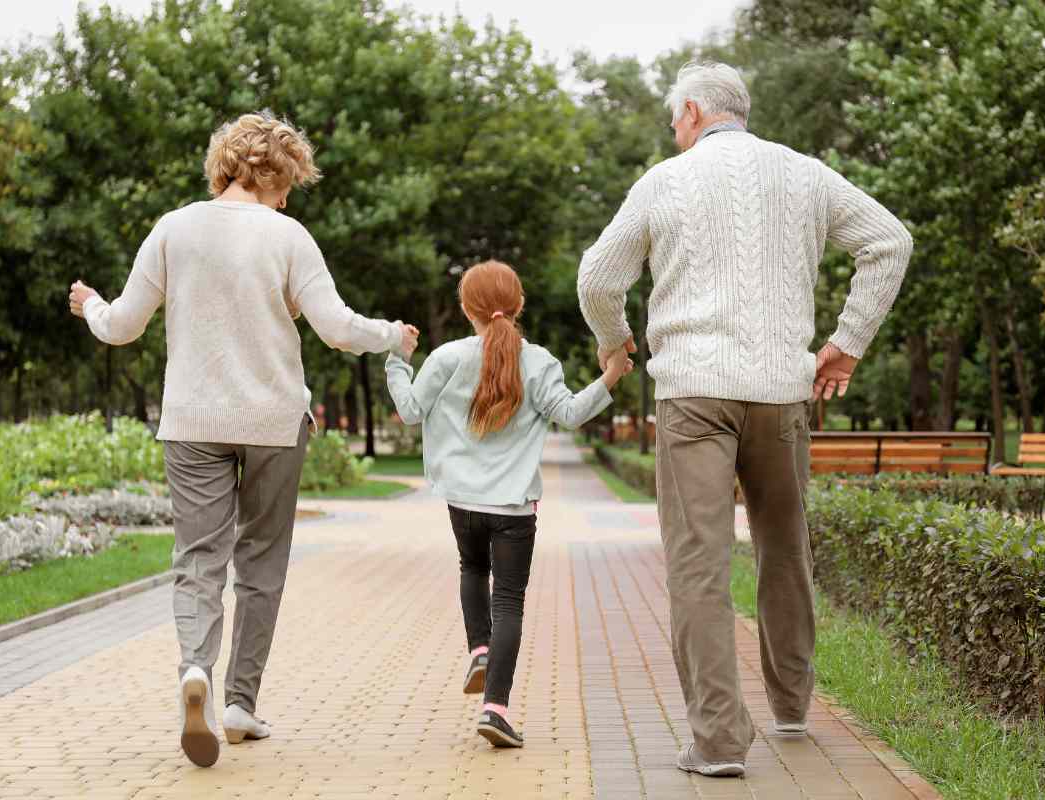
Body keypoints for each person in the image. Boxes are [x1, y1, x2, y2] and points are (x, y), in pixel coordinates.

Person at [577, 62, 911, 777]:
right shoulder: (806, 175)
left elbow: (598, 278)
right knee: (784, 550)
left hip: (692, 395)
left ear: (693, 111)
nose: (674, 131)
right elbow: (890, 243)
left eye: (674, 119)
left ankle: (719, 743)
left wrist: (615, 339)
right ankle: (792, 706)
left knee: (698, 564)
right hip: (782, 392)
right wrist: (846, 342)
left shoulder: (664, 181)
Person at [67, 110, 420, 768]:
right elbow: (338, 328)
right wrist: (393, 336)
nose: (289, 197)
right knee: (260, 565)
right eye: (288, 182)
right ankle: (238, 704)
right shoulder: (288, 238)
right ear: (271, 174)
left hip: (193, 423)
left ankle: (193, 671)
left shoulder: (173, 230)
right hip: (273, 423)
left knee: (198, 560)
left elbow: (120, 326)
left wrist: (89, 302)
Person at [385, 260, 631, 748]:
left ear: (465, 308)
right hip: (514, 508)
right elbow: (571, 414)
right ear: (517, 305)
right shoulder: (539, 361)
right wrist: (611, 376)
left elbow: (409, 411)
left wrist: (396, 360)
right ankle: (495, 708)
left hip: (463, 500)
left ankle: (479, 648)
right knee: (510, 601)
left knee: (471, 570)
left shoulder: (448, 357)